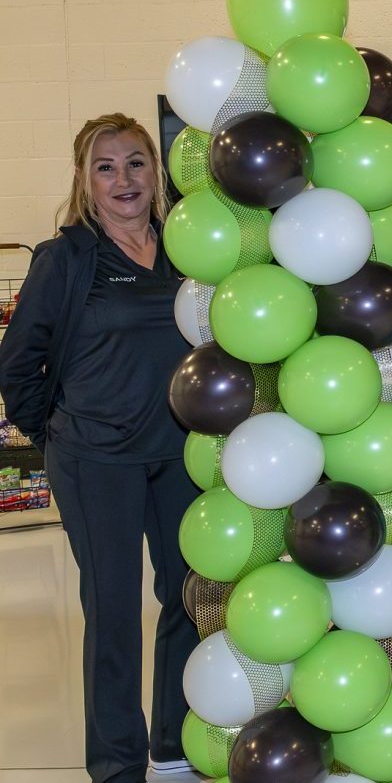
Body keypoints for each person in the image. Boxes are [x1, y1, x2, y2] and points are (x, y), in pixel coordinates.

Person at [0, 114, 197, 783]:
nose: (125, 179)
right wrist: (53, 432)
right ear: (85, 180)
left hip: (179, 454)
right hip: (96, 461)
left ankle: (173, 741)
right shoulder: (68, 257)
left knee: (190, 593)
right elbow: (17, 362)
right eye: (107, 166)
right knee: (112, 609)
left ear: (155, 171)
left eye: (136, 162)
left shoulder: (185, 248)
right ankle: (117, 763)